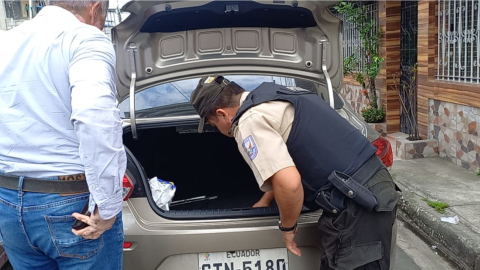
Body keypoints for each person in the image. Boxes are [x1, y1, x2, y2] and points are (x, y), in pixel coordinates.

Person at [190, 75, 400, 270]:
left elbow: (290, 184)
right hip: (371, 190)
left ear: (221, 114)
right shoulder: (280, 94)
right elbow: (294, 157)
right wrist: (265, 200)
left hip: (358, 207)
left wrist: (287, 228)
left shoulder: (249, 121)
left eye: (212, 124)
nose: (216, 129)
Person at [0, 1, 126, 269]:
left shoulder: (5, 41)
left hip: (7, 201)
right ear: (95, 9)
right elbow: (95, 117)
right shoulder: (84, 37)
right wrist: (108, 205)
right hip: (69, 206)